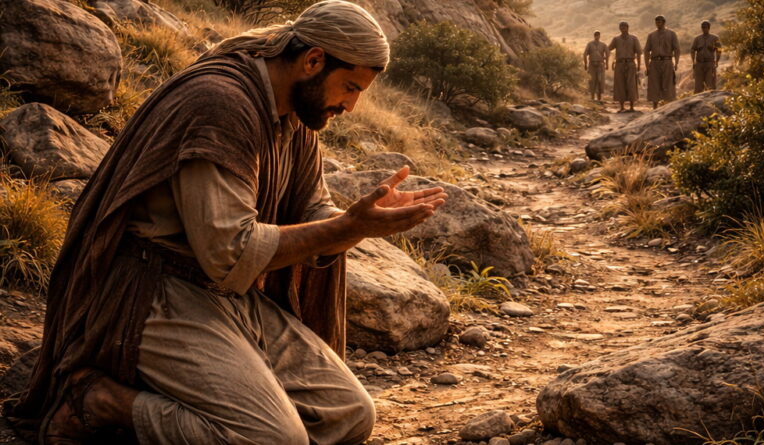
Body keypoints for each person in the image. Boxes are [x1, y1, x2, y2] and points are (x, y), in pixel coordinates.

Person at [5, 1, 448, 444]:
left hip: (231, 296)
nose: (349, 106)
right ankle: (101, 400)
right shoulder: (220, 105)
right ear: (313, 61)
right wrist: (348, 228)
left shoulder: (294, 117)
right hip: (152, 292)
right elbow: (228, 253)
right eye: (349, 87)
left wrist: (365, 219)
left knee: (348, 416)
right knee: (274, 439)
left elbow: (314, 212)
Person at [644, 15, 680, 109]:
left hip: (667, 61)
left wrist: (676, 62)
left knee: (668, 83)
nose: (657, 24)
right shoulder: (651, 35)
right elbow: (646, 51)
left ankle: (668, 107)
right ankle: (655, 108)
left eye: (659, 22)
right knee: (654, 84)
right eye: (656, 22)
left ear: (664, 22)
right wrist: (647, 66)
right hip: (655, 62)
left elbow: (677, 49)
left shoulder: (672, 34)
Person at [609, 21, 642, 112]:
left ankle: (631, 106)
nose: (622, 28)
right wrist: (612, 60)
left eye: (624, 27)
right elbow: (608, 49)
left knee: (631, 84)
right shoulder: (616, 39)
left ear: (628, 27)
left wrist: (639, 65)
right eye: (621, 27)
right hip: (619, 63)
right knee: (620, 84)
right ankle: (622, 107)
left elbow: (639, 52)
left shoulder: (634, 39)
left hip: (630, 63)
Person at [691, 20, 722, 93]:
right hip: (699, 64)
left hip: (709, 63)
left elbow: (719, 50)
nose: (704, 29)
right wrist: (693, 62)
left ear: (709, 28)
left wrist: (717, 61)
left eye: (705, 27)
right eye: (702, 27)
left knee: (710, 85)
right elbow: (692, 50)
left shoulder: (715, 38)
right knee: (698, 86)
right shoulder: (697, 38)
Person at [583, 30, 609, 102]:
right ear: (594, 36)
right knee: (592, 80)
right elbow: (585, 54)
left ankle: (599, 98)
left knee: (600, 81)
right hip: (592, 65)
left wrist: (607, 64)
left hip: (600, 65)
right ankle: (592, 97)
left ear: (600, 36)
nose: (597, 36)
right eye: (595, 35)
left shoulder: (603, 45)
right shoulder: (590, 44)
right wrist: (585, 64)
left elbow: (607, 54)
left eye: (598, 35)